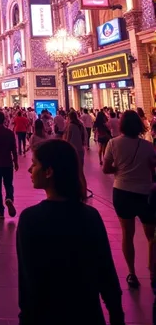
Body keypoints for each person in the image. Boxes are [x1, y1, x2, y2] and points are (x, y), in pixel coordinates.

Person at [17, 139, 124, 325]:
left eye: (34, 164)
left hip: (46, 316)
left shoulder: (30, 219)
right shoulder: (90, 216)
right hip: (87, 314)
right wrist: (116, 314)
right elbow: (106, 272)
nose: (30, 170)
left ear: (49, 172)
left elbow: (29, 281)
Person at [103, 109, 156, 289]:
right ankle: (153, 272)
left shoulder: (113, 143)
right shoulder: (148, 146)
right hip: (145, 193)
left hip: (123, 191)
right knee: (151, 235)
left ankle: (132, 273)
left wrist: (119, 169)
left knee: (127, 234)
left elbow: (106, 168)